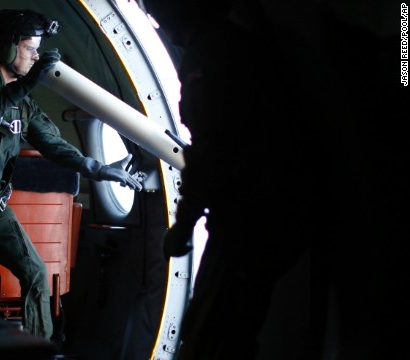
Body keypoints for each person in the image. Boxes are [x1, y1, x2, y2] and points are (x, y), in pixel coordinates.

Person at [158, 0, 404, 358]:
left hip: (252, 220)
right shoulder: (240, 43)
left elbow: (212, 150)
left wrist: (182, 228)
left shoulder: (210, 54)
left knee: (213, 338)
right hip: (276, 214)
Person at [0, 8, 143, 340]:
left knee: (36, 273)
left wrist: (100, 169)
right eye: (29, 47)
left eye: (38, 49)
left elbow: (52, 144)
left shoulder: (24, 104)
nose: (36, 55)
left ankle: (39, 347)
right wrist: (28, 84)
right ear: (8, 47)